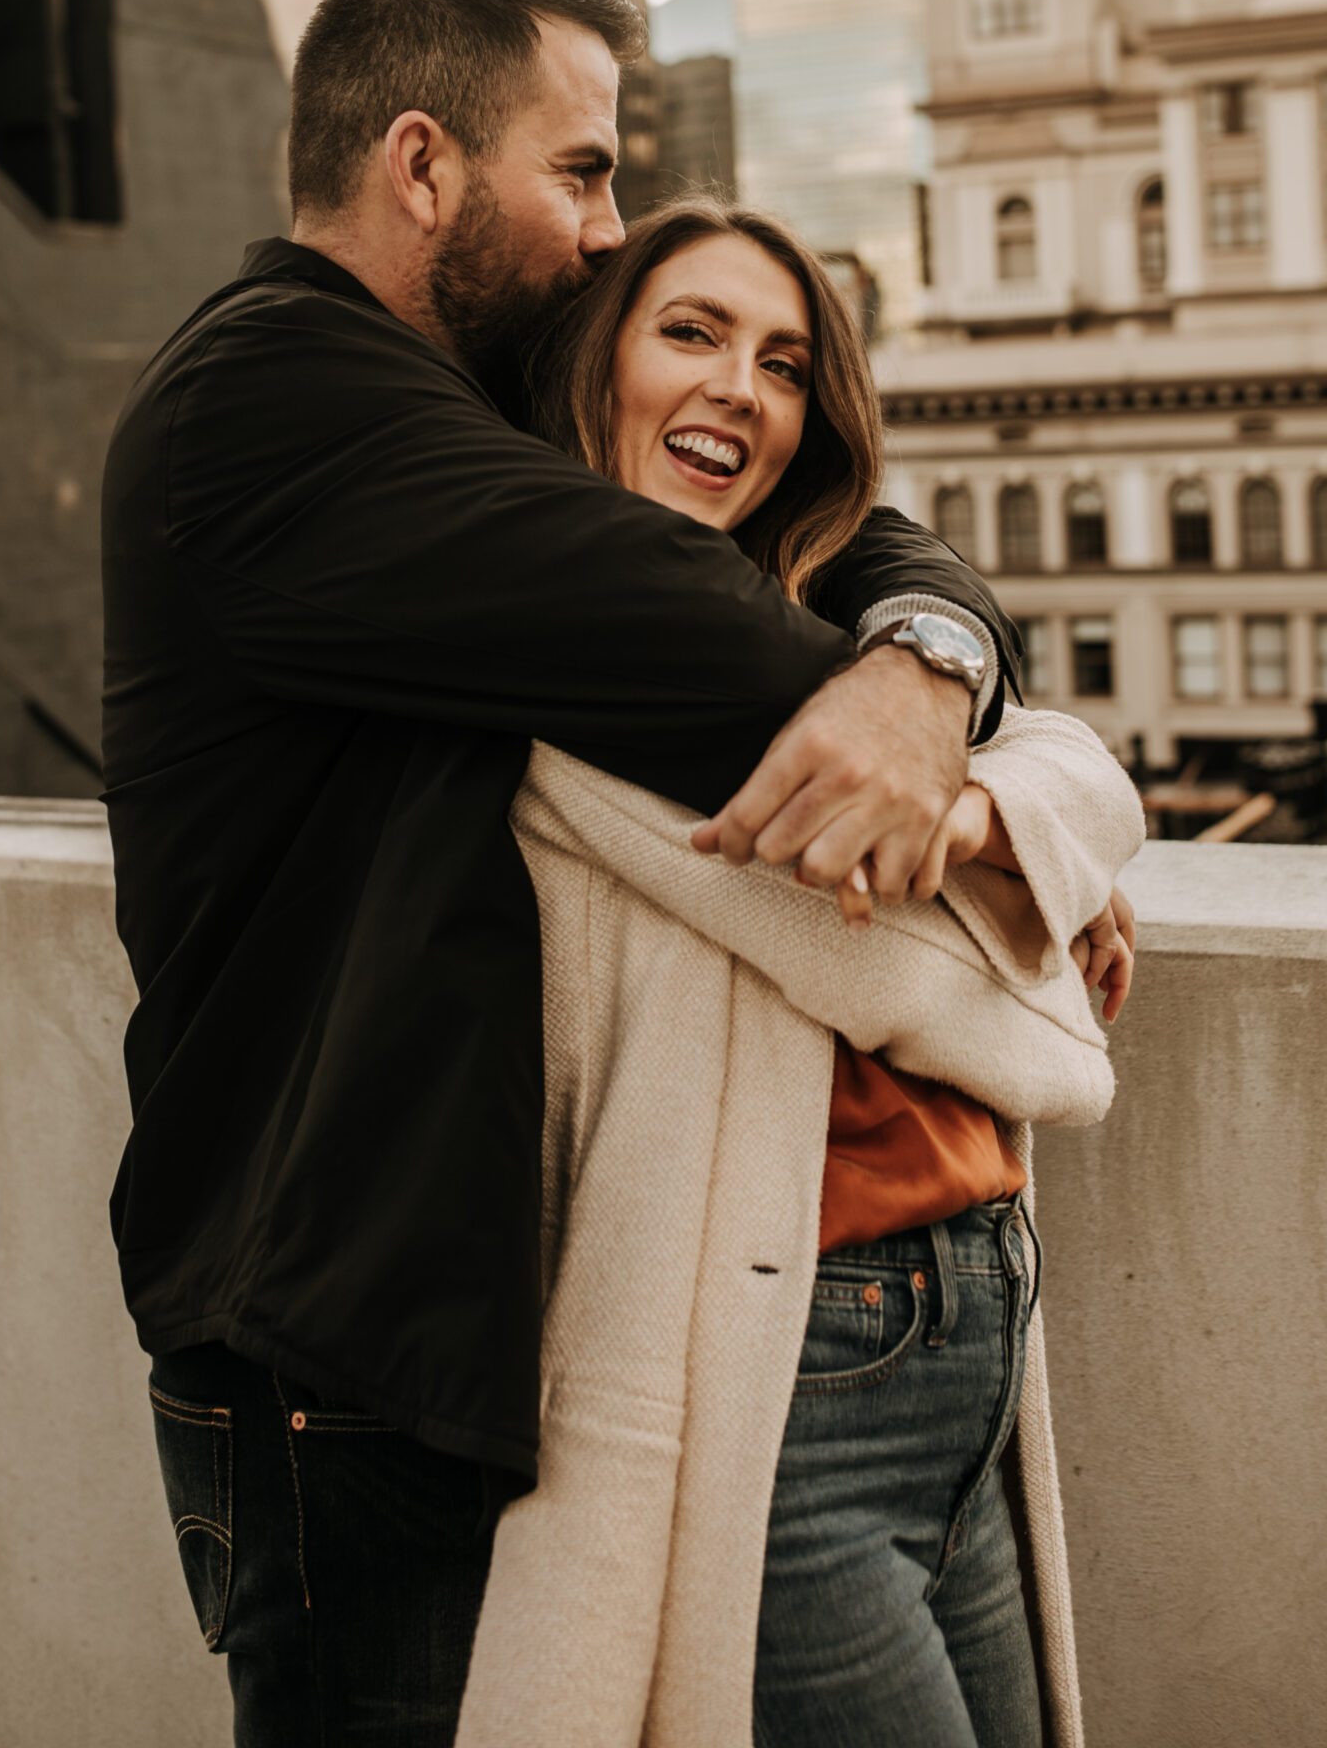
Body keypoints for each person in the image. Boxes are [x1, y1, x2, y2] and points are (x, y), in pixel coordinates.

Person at [102, 0, 1020, 1742]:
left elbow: (824, 555)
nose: (608, 226)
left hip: (399, 1337)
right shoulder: (279, 403)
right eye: (583, 171)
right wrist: (932, 702)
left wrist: (926, 648)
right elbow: (728, 642)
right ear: (423, 161)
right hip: (331, 1361)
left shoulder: (401, 412)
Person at [453, 198, 1144, 1748]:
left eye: (782, 364)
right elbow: (976, 983)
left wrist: (972, 805)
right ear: (594, 366)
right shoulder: (584, 679)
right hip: (795, 1376)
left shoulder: (827, 633)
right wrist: (1035, 860)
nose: (740, 390)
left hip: (974, 1324)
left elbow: (1085, 770)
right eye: (688, 333)